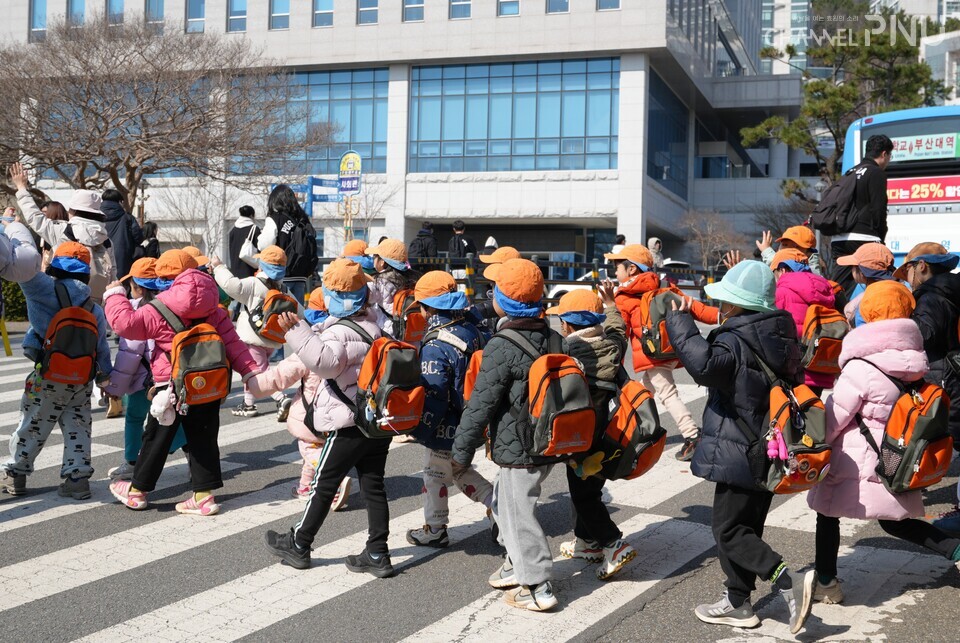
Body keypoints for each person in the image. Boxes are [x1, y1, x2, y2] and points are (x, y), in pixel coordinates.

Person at [665, 260, 815, 634]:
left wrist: (680, 322)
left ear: (737, 305)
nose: (722, 308)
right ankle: (738, 601)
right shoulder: (780, 334)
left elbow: (702, 364)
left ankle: (787, 580)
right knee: (746, 528)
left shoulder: (735, 339)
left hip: (738, 448)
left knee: (728, 531)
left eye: (726, 302)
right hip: (772, 447)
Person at [807, 281, 960, 604]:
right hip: (896, 456)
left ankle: (826, 582)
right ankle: (955, 549)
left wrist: (814, 443)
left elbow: (834, 420)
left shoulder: (861, 367)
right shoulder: (915, 362)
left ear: (868, 315)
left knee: (826, 513)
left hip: (855, 458)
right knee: (897, 522)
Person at [263, 259, 394, 577]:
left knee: (323, 483)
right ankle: (378, 552)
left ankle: (299, 544)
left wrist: (295, 329)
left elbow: (325, 363)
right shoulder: (376, 322)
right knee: (373, 486)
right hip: (375, 419)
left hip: (348, 422)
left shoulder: (338, 331)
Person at [104, 249, 258, 515]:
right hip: (208, 385)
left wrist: (115, 295)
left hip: (171, 386)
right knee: (203, 438)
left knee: (156, 438)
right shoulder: (214, 307)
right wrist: (251, 373)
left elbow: (125, 324)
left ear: (163, 278)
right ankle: (203, 496)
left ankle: (137, 491)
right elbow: (233, 344)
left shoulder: (157, 308)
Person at [452, 258, 562, 613]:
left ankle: (538, 584)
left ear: (506, 300)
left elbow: (479, 406)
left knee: (519, 514)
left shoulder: (502, 344)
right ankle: (516, 561)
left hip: (519, 447)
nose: (490, 295)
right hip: (549, 438)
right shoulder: (553, 333)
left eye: (494, 290)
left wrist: (460, 453)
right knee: (505, 501)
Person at [0, 236, 113, 500]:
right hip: (82, 378)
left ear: (55, 266)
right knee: (78, 425)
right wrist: (105, 377)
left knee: (34, 424)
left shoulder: (40, 288)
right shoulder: (93, 307)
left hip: (48, 374)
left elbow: (22, 267)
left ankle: (15, 475)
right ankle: (77, 479)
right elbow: (101, 348)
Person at [549, 286, 638, 580]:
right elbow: (618, 329)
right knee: (591, 487)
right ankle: (586, 543)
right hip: (607, 430)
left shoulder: (567, 351)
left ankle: (613, 544)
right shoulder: (612, 346)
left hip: (581, 434)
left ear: (566, 324)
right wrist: (612, 304)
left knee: (583, 496)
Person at [406, 271, 493, 549]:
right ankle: (498, 506)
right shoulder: (472, 329)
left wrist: (420, 429)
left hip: (448, 424)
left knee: (434, 474)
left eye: (420, 306)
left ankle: (435, 528)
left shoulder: (435, 345)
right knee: (458, 469)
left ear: (429, 308)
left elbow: (435, 395)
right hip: (475, 417)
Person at [607, 244, 718, 461]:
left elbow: (619, 333)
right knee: (643, 391)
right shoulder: (667, 287)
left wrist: (614, 363)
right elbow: (697, 310)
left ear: (631, 270)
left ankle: (692, 435)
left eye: (617, 266)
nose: (614, 270)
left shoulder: (624, 297)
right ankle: (634, 429)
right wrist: (724, 316)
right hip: (669, 351)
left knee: (667, 394)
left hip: (651, 357)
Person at [247, 286, 352, 510]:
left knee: (310, 450)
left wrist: (254, 385)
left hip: (312, 414)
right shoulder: (349, 336)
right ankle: (305, 487)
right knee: (314, 453)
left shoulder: (310, 346)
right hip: (344, 411)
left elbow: (280, 376)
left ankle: (334, 485)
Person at [893, 243, 960, 534]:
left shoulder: (931, 297)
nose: (906, 277)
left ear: (922, 266)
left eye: (907, 269)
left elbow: (924, 334)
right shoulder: (952, 291)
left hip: (945, 378)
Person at [103, 258, 187, 481]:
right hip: (168, 377)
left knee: (134, 417)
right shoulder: (170, 305)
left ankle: (131, 461)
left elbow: (129, 356)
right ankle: (193, 457)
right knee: (172, 419)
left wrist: (115, 387)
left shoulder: (135, 312)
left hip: (143, 381)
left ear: (137, 286)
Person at [9, 162, 117, 302]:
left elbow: (34, 216)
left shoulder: (61, 230)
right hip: (93, 303)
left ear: (74, 211)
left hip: (62, 298)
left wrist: (21, 187)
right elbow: (113, 272)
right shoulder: (106, 240)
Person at [210, 246, 297, 419]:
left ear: (262, 265)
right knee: (252, 371)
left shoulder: (254, 284)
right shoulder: (284, 289)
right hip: (272, 339)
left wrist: (219, 266)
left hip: (251, 338)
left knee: (257, 374)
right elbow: (299, 312)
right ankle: (248, 405)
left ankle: (281, 398)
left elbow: (230, 285)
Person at [831, 134, 893, 297]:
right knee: (884, 284)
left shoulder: (851, 172)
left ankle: (833, 318)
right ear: (884, 154)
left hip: (839, 239)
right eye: (889, 156)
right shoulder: (876, 173)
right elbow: (878, 209)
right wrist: (880, 239)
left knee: (837, 289)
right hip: (864, 237)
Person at [770, 248, 839, 395]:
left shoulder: (781, 292)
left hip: (795, 371)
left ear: (782, 270)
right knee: (814, 414)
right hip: (821, 368)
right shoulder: (825, 289)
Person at [257, 185, 318, 305]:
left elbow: (263, 244)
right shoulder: (302, 219)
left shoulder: (276, 218)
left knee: (280, 313)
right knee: (297, 314)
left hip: (281, 274)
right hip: (301, 274)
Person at [366, 238, 417, 335]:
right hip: (412, 328)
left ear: (382, 262)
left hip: (389, 330)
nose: (373, 259)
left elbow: (365, 298)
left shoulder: (380, 282)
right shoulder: (414, 278)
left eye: (375, 256)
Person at [836, 243, 895, 327]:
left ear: (862, 272)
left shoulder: (868, 301)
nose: (851, 269)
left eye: (853, 266)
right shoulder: (898, 291)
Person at [101, 189, 144, 284]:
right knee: (120, 287)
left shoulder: (96, 217)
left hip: (100, 257)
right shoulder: (127, 217)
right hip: (123, 260)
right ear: (120, 201)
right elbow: (138, 237)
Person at [756, 225, 824, 277]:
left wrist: (766, 251)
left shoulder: (811, 272)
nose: (788, 250)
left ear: (809, 253)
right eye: (785, 245)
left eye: (797, 247)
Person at [228, 205, 261, 279]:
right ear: (252, 215)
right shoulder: (254, 229)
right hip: (250, 271)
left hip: (234, 271)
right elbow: (260, 250)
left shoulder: (233, 230)